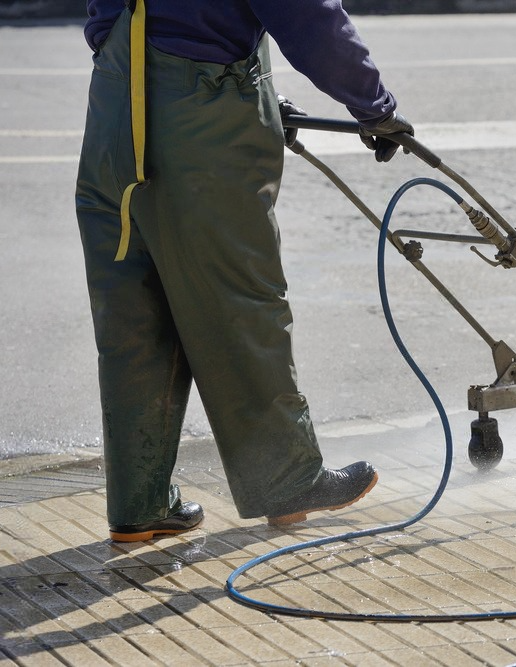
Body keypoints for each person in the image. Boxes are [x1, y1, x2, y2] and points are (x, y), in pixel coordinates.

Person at [76, 0, 413, 542]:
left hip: (117, 104)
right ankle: (287, 480)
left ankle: (141, 505)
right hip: (197, 120)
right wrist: (373, 103)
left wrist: (166, 71)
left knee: (137, 311)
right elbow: (306, 15)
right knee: (241, 298)